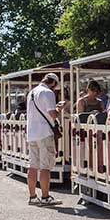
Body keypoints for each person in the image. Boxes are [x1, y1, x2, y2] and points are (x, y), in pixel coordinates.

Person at [26, 73, 65, 206]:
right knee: (45, 167)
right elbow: (53, 115)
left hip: (31, 134)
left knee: (32, 166)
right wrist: (60, 108)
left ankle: (32, 197)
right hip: (44, 133)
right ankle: (45, 197)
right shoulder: (48, 93)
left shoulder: (32, 92)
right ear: (53, 83)